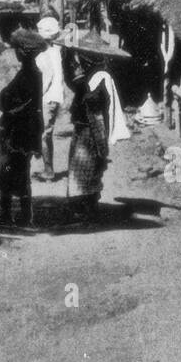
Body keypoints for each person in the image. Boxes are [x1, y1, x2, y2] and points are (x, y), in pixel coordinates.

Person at [0, 28, 47, 227]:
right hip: (27, 131)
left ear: (22, 52)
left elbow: (8, 102)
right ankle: (24, 214)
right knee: (21, 172)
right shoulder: (33, 73)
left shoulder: (27, 75)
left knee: (7, 170)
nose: (14, 52)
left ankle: (9, 214)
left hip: (17, 132)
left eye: (17, 49)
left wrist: (7, 103)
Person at [65, 45, 122, 218]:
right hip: (86, 125)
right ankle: (87, 204)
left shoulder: (101, 76)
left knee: (87, 166)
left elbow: (92, 99)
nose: (80, 61)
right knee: (86, 167)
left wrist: (81, 86)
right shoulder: (92, 74)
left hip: (91, 127)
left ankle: (87, 206)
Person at [34, 15, 66, 180]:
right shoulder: (56, 51)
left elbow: (46, 79)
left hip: (47, 97)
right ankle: (46, 165)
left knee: (44, 134)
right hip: (55, 97)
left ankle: (48, 170)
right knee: (45, 132)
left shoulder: (45, 54)